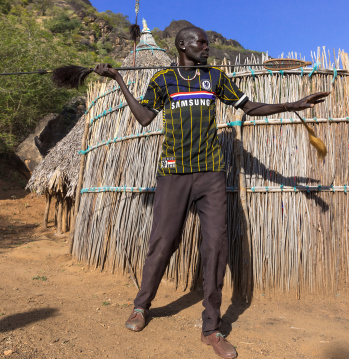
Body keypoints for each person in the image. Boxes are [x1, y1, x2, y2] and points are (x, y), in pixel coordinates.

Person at [94, 26, 329, 359]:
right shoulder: (163, 80)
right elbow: (145, 117)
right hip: (173, 173)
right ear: (182, 46)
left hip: (211, 175)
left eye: (206, 42)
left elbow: (250, 107)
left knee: (216, 245)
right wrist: (118, 80)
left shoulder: (215, 78)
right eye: (200, 43)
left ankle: (211, 329)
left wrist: (292, 104)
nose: (207, 47)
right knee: (163, 241)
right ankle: (142, 306)